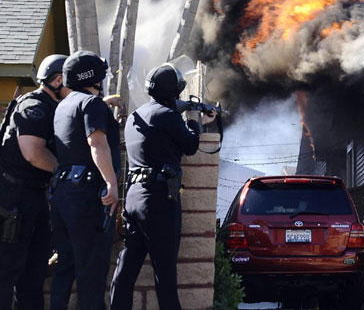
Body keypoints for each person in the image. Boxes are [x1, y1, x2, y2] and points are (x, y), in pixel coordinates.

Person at [110, 63, 216, 310]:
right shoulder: (168, 116)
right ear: (175, 91)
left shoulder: (137, 115)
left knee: (126, 268)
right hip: (158, 199)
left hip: (134, 197)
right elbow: (190, 146)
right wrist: (194, 119)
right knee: (165, 273)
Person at [50, 51, 121, 310]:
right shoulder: (91, 104)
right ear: (94, 76)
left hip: (62, 193)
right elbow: (97, 143)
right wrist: (111, 183)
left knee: (65, 266)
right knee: (91, 271)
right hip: (87, 194)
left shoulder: (62, 106)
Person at [0, 54, 69, 310]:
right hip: (14, 199)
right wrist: (65, 172)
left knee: (33, 273)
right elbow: (33, 152)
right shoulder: (35, 107)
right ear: (58, 80)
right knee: (8, 271)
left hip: (32, 197)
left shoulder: (52, 106)